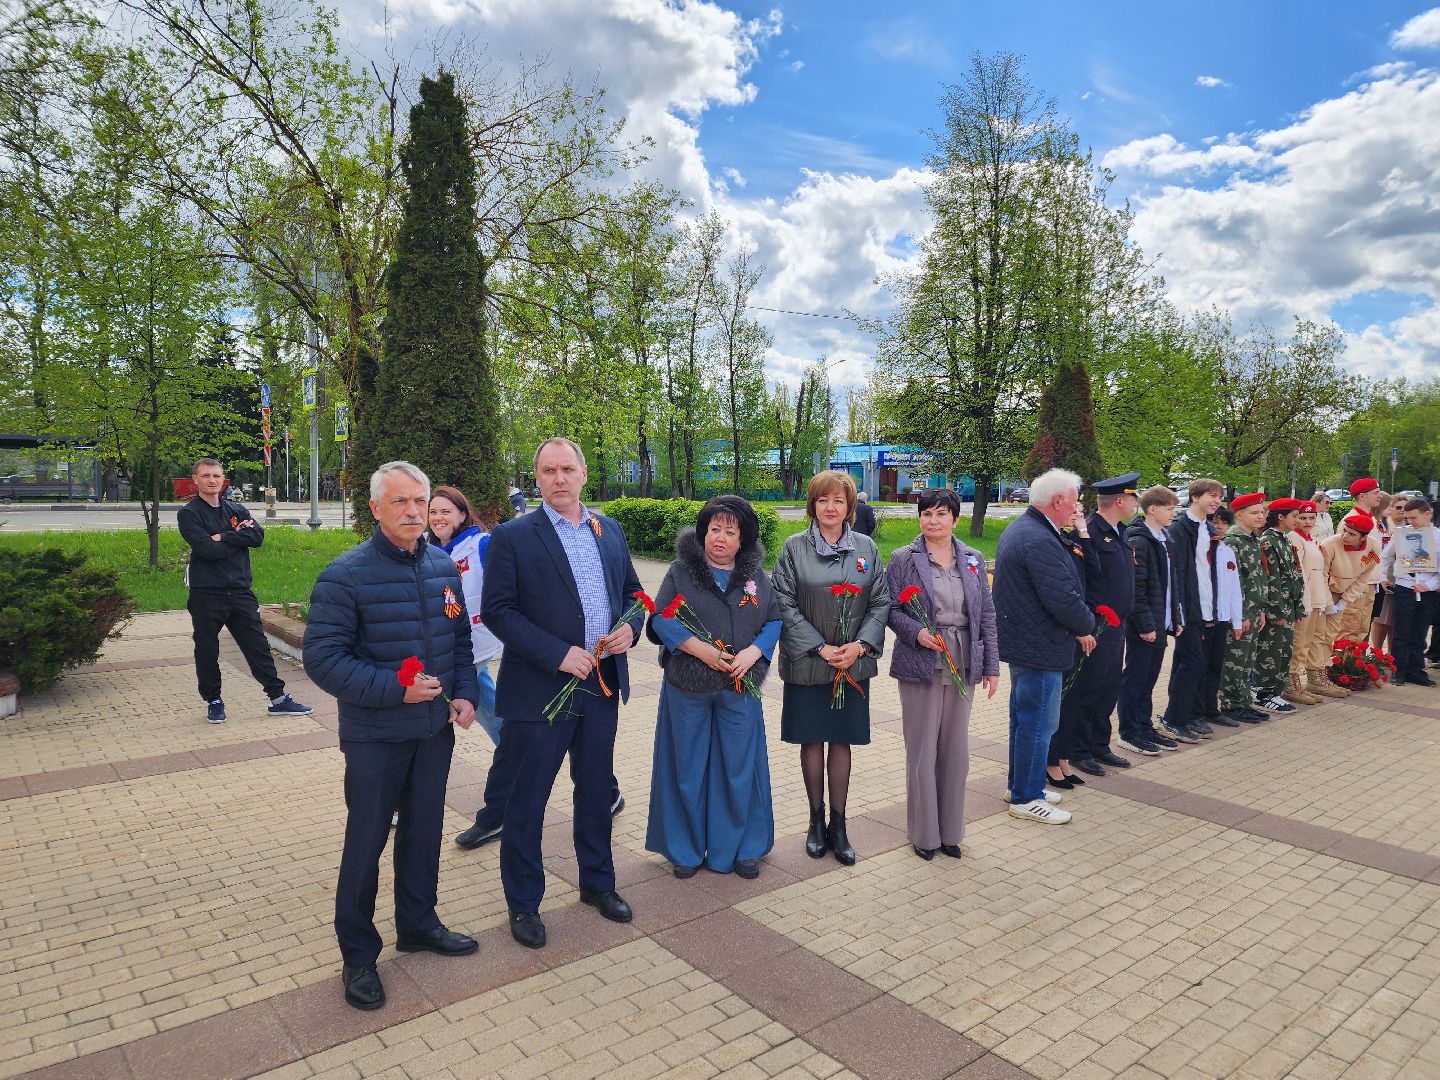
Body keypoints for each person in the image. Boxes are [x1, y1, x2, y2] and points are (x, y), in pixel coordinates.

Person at [304, 461, 482, 1011]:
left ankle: (418, 923)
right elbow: (323, 659)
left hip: (432, 733)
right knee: (367, 842)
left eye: (419, 502)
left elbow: (457, 640)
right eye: (399, 502)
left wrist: (464, 691)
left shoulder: (441, 568)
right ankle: (358, 955)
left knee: (424, 833)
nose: (412, 512)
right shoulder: (345, 574)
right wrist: (393, 690)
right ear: (376, 508)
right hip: (376, 736)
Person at [481, 438, 646, 950]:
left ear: (583, 473)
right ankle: (524, 903)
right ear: (537, 477)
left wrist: (630, 629)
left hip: (600, 685)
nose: (558, 478)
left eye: (567, 469)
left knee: (596, 791)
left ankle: (598, 883)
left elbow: (635, 595)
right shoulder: (513, 536)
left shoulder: (608, 528)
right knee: (527, 800)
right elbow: (499, 611)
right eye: (548, 470)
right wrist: (557, 653)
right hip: (540, 689)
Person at [645, 496, 781, 878]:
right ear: (704, 532)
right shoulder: (681, 571)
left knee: (738, 767)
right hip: (688, 685)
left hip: (739, 685)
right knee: (686, 766)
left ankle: (740, 849)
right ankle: (685, 851)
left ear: (742, 539)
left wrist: (754, 652)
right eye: (714, 529)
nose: (720, 538)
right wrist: (700, 651)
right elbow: (660, 620)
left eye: (730, 532)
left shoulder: (756, 577)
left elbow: (774, 621)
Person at [773, 470, 891, 865]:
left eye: (838, 501)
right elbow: (783, 603)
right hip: (809, 663)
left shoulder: (866, 548)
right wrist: (821, 648)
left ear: (849, 507)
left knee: (841, 741)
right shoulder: (792, 549)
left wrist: (858, 646)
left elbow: (881, 600)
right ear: (813, 504)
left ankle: (839, 825)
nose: (830, 507)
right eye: (823, 500)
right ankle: (815, 821)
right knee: (812, 740)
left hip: (851, 664)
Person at [886, 488, 999, 859]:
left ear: (955, 518)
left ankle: (951, 831)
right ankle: (924, 834)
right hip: (922, 663)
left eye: (940, 514)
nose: (933, 521)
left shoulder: (972, 559)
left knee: (956, 752)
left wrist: (991, 666)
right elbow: (889, 610)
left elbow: (986, 616)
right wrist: (916, 632)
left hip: (963, 661)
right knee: (922, 751)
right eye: (926, 514)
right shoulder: (903, 558)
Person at [993, 468, 1095, 824]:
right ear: (1058, 501)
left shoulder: (1029, 529)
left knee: (1025, 722)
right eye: (1075, 501)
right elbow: (1063, 598)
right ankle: (1026, 797)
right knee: (1038, 723)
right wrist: (1087, 624)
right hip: (1038, 646)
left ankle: (1022, 784)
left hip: (1030, 643)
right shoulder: (1037, 537)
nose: (1076, 508)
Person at [177, 457, 311, 725]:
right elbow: (207, 550)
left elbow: (257, 538)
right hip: (207, 593)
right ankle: (213, 700)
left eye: (216, 475)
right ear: (196, 479)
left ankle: (278, 698)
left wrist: (224, 536)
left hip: (240, 591)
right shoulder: (189, 514)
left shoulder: (236, 508)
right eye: (206, 476)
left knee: (257, 646)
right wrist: (237, 538)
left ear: (223, 479)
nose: (212, 480)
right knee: (206, 649)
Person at [1052, 473, 1139, 779]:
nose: (1135, 503)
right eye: (1133, 498)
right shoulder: (1087, 531)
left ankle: (1099, 744)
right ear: (1119, 500)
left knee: (1109, 687)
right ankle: (1078, 750)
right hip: (1096, 623)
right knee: (1089, 687)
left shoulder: (1121, 532)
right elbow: (1086, 579)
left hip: (1118, 623)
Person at [1117, 486, 1185, 755]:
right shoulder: (1140, 540)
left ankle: (1144, 726)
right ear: (1153, 509)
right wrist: (1145, 625)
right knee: (1136, 679)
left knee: (1149, 680)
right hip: (1144, 626)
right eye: (1169, 508)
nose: (1173, 513)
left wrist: (1176, 617)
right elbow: (1137, 587)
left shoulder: (1164, 538)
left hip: (1160, 621)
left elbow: (1171, 584)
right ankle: (1129, 731)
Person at [1158, 478, 1226, 744]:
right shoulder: (1180, 527)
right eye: (1211, 495)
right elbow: (1178, 573)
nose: (1216, 501)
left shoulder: (1207, 527)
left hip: (1205, 605)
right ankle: (1172, 719)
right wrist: (1181, 611)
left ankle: (1187, 715)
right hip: (1187, 607)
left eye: (1219, 496)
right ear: (1195, 497)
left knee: (1193, 663)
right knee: (1191, 662)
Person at [1216, 494, 1272, 725]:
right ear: (1239, 515)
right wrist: (1238, 615)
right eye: (1254, 513)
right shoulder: (1233, 541)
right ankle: (1231, 704)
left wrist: (1258, 610)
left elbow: (1256, 578)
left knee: (1247, 660)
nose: (1260, 517)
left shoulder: (1252, 539)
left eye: (1262, 512)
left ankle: (1244, 702)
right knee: (1234, 661)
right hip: (1238, 613)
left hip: (1251, 610)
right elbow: (1233, 581)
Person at [1252, 498, 1306, 713]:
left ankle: (1275, 692)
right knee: (1270, 652)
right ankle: (1263, 693)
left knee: (1284, 651)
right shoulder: (1268, 541)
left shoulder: (1284, 540)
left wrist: (1298, 607)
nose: (1298, 520)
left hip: (1288, 607)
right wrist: (1275, 611)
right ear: (1280, 517)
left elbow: (1295, 576)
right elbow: (1271, 579)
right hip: (1277, 609)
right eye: (1294, 516)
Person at [1318, 511, 1379, 697]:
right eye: (1345, 531)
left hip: (1344, 593)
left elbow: (1363, 578)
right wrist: (1328, 604)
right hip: (1325, 592)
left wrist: (1344, 603)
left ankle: (1324, 674)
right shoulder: (1329, 545)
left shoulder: (1374, 546)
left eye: (1352, 534)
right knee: (1318, 636)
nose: (1345, 536)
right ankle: (1315, 676)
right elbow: (1322, 576)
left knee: (1330, 637)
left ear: (1364, 537)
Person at [1382, 497, 1440, 686]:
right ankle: (1399, 671)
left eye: (1414, 518)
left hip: (1428, 591)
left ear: (1427, 514)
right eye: (1407, 518)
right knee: (1402, 631)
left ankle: (1416, 671)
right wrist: (1383, 576)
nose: (1410, 522)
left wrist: (1430, 585)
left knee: (1420, 631)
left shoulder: (1437, 536)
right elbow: (1386, 556)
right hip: (1405, 587)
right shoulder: (1401, 534)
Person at [1205, 506, 1251, 725]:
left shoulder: (1225, 549)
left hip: (1223, 616)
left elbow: (1234, 588)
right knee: (1200, 667)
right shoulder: (1203, 548)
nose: (1220, 527)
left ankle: (1211, 709)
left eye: (1224, 522)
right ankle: (1198, 711)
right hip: (1205, 616)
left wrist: (1236, 619)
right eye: (1215, 522)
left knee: (1215, 666)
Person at [1285, 502, 1331, 704]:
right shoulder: (1294, 538)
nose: (1307, 522)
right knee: (1299, 643)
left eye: (1311, 518)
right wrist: (1303, 602)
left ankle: (1305, 682)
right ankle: (1291, 685)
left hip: (1316, 598)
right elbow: (1299, 574)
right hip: (1305, 600)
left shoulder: (1311, 539)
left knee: (1311, 641)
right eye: (1302, 517)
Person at [1371, 496, 1408, 653]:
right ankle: (1377, 652)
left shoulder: (1410, 526)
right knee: (1381, 619)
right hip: (1385, 577)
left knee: (1396, 621)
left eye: (1406, 508)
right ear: (1390, 508)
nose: (1402, 511)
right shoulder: (1383, 524)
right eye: (1398, 507)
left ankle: (1391, 655)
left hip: (1403, 580)